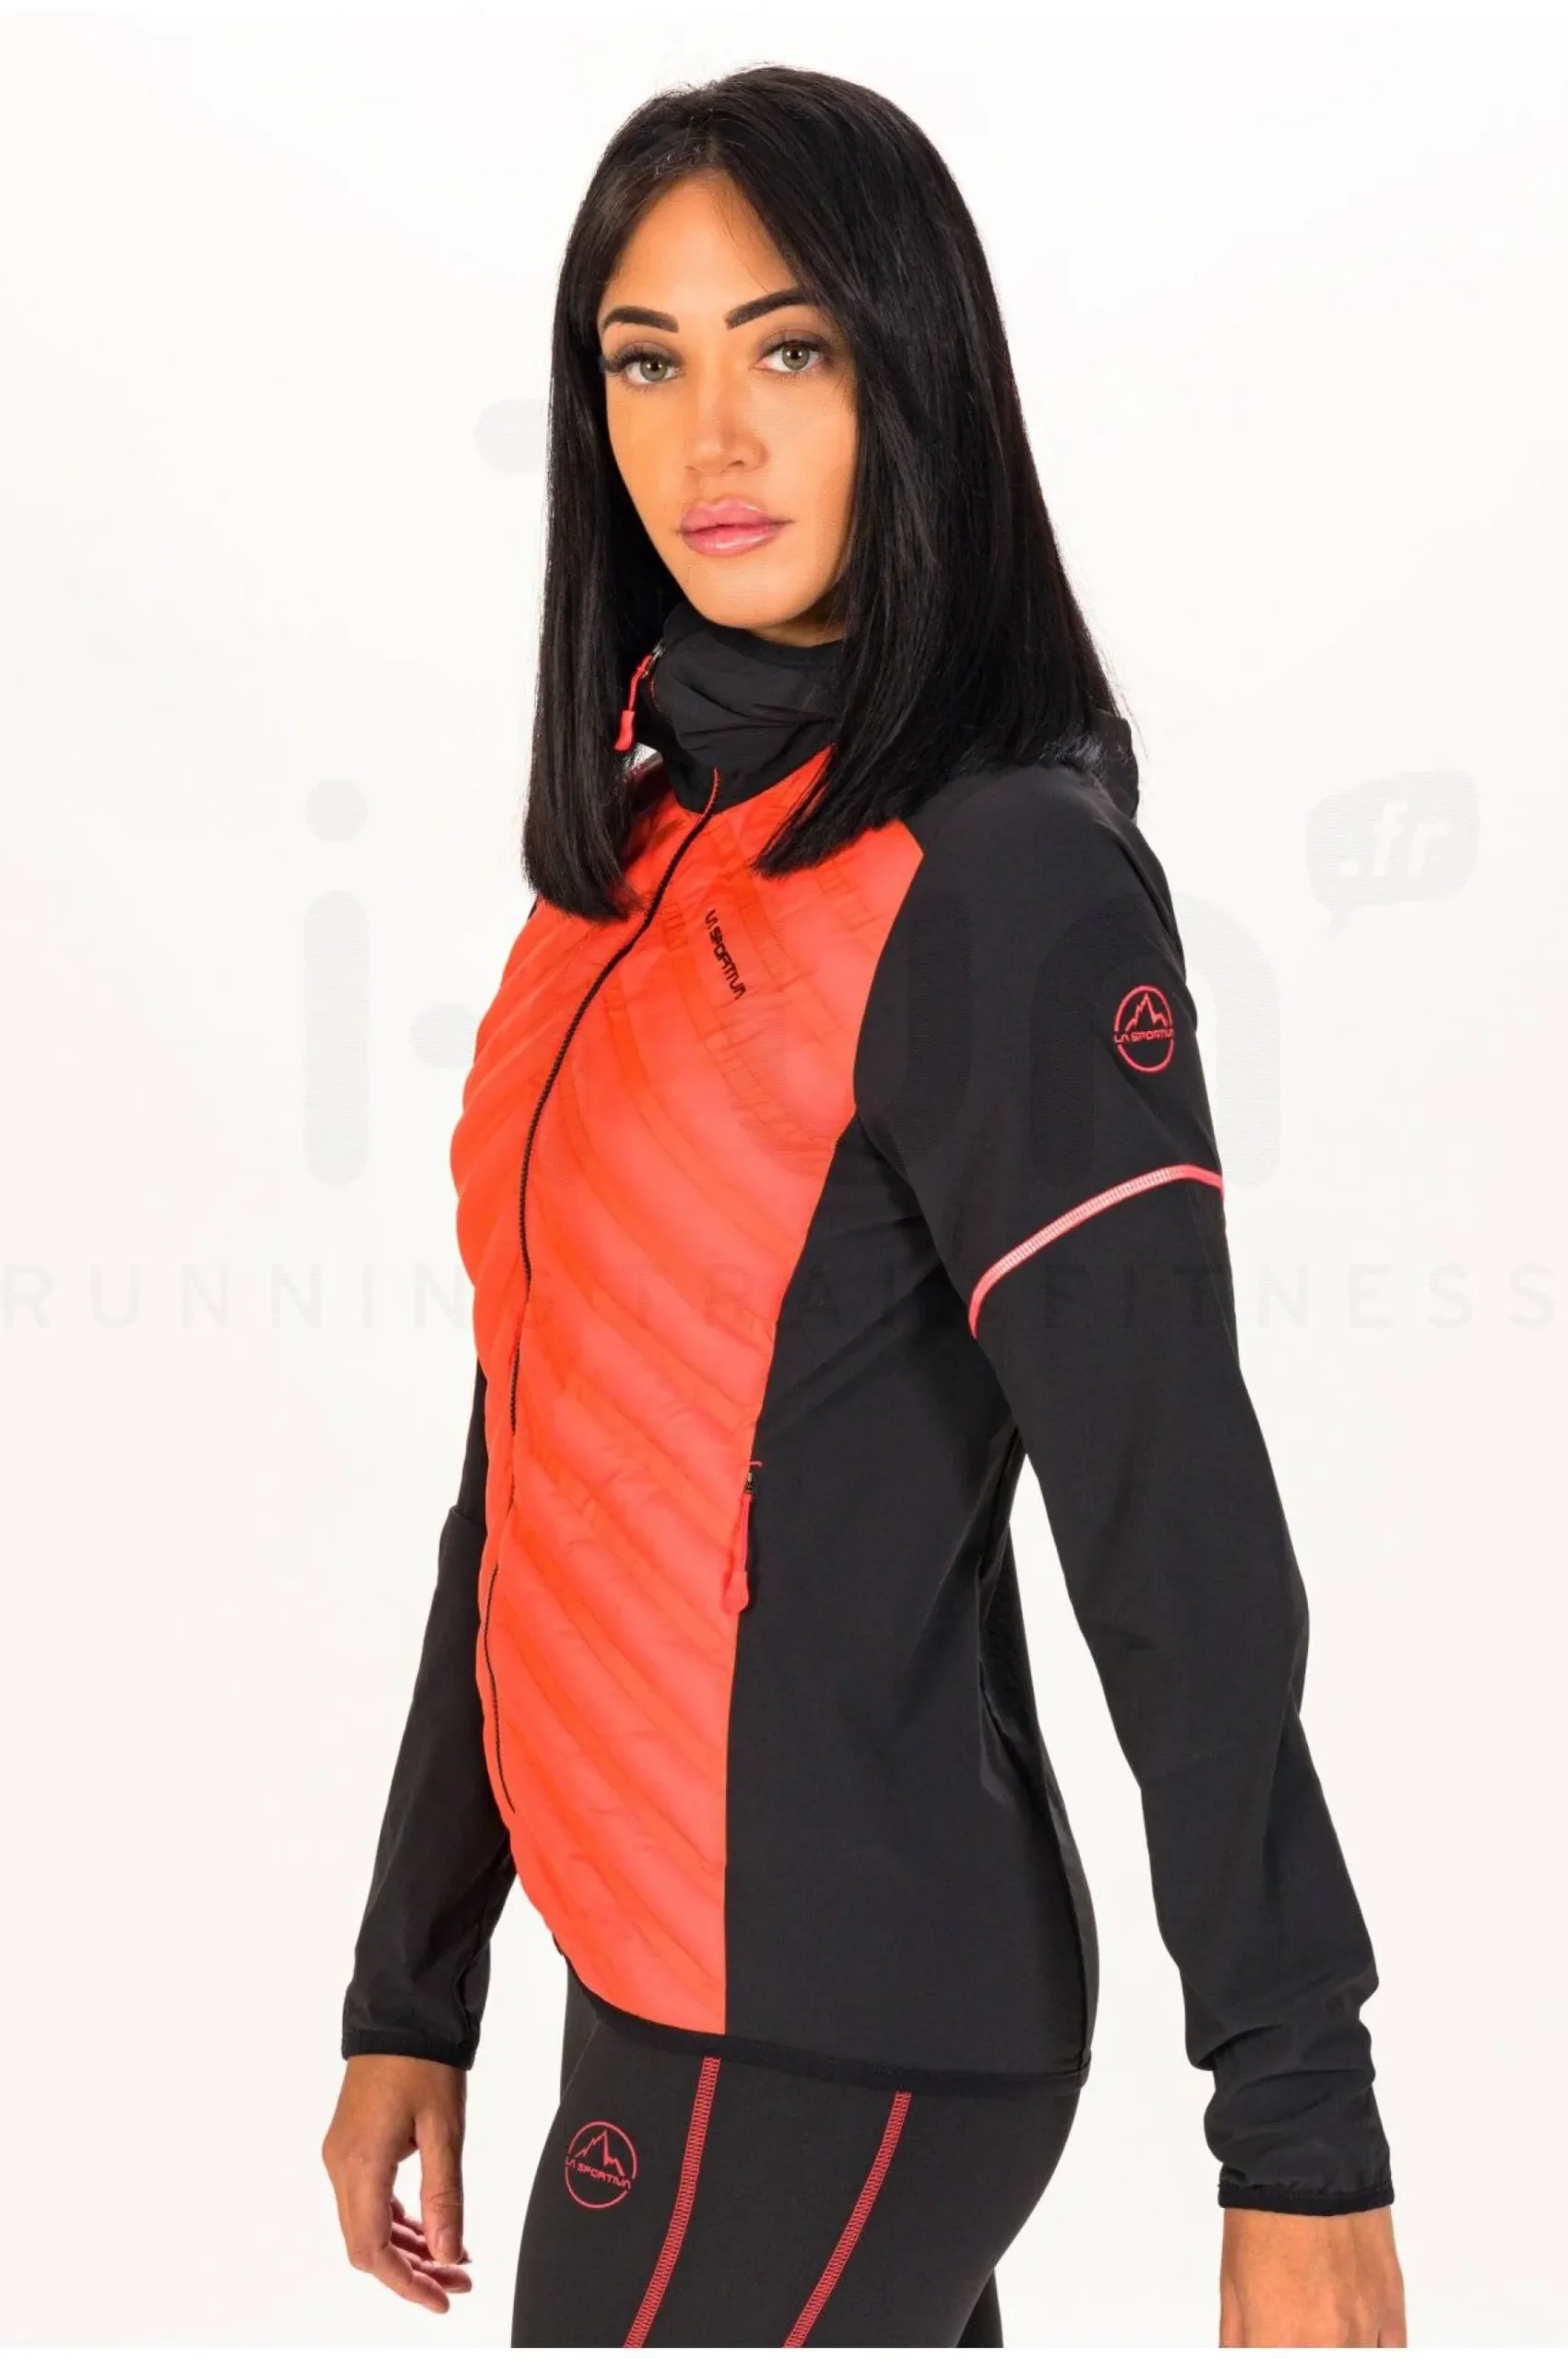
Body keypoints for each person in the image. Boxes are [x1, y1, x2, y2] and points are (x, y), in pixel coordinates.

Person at [320, 65, 1406, 2348]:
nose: (709, 435)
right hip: (665, 1964)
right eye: (646, 361)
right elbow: (532, 1450)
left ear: (909, 373)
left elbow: (1167, 1511)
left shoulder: (1000, 879)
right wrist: (414, 1976)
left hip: (830, 2004)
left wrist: (1298, 2130)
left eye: (788, 348)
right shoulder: (630, 861)